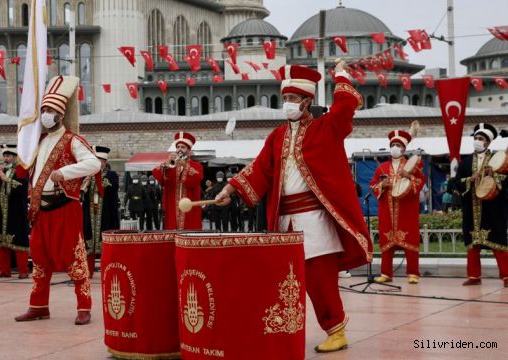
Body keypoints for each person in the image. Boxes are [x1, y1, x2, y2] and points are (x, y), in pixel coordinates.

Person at [215, 61, 372, 353]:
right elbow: (260, 169)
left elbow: (345, 105)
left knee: (320, 279)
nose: (287, 104)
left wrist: (340, 75)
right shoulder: (277, 136)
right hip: (284, 219)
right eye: (285, 98)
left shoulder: (326, 129)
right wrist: (230, 189)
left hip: (314, 219)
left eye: (293, 99)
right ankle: (282, 328)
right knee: (281, 279)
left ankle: (336, 329)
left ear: (307, 101)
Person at [15, 75, 100, 324]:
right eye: (44, 110)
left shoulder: (72, 140)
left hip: (64, 207)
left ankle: (84, 308)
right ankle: (39, 306)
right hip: (41, 210)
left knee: (74, 257)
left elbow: (93, 163)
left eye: (50, 110)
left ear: (61, 115)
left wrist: (64, 172)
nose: (46, 114)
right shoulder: (38, 142)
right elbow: (23, 170)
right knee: (40, 260)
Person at [454, 123, 508, 287]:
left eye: (481, 139)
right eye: (476, 138)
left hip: (492, 209)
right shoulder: (466, 161)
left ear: (488, 142)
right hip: (472, 208)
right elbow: (455, 182)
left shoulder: (497, 159)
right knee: (473, 244)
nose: (477, 141)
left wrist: (495, 176)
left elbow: (506, 180)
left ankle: (506, 276)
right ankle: (474, 276)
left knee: (498, 242)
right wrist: (470, 179)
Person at [370, 129, 425, 284]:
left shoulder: (413, 165)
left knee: (410, 239)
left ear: (404, 148)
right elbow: (373, 185)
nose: (395, 147)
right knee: (387, 242)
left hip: (406, 210)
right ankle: (386, 273)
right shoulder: (381, 167)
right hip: (387, 211)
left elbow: (420, 182)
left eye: (398, 145)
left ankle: (413, 273)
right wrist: (382, 184)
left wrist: (410, 178)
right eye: (393, 144)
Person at [0, 144, 29, 279]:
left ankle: (23, 271)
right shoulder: (1, 169)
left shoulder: (21, 169)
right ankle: (4, 270)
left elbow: (23, 188)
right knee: (1, 242)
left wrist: (6, 179)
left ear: (15, 157)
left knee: (18, 241)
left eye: (9, 156)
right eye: (4, 156)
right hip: (1, 211)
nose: (6, 159)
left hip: (16, 212)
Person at [152, 132, 204, 230]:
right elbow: (156, 173)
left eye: (183, 147)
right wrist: (166, 163)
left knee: (190, 230)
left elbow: (197, 179)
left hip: (190, 207)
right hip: (172, 206)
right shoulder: (171, 165)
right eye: (178, 147)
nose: (179, 149)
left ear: (189, 150)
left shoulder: (197, 165)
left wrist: (185, 166)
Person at [82, 146, 120, 266]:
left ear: (105, 162)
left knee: (104, 242)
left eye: (100, 161)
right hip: (90, 212)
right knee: (88, 240)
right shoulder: (88, 174)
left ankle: (106, 267)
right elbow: (82, 194)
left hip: (105, 213)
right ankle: (89, 270)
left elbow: (112, 190)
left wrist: (101, 181)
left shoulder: (111, 175)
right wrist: (85, 184)